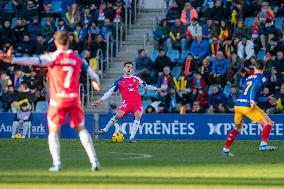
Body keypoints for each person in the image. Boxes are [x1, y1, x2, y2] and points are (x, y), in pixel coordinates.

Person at [0, 30, 101, 172]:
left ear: (55, 41)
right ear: (69, 41)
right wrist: (95, 83)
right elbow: (93, 75)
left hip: (58, 99)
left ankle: (57, 163)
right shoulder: (77, 58)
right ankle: (94, 160)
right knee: (81, 129)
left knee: (53, 131)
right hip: (73, 99)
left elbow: (32, 60)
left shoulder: (52, 57)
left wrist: (12, 59)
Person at [93, 62, 164, 143]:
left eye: (131, 67)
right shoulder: (119, 81)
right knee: (118, 115)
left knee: (138, 116)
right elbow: (109, 92)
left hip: (136, 103)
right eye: (127, 67)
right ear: (124, 68)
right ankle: (105, 129)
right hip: (126, 103)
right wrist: (100, 100)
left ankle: (131, 138)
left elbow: (146, 86)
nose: (129, 68)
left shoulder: (136, 79)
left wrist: (157, 89)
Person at [222, 60, 277, 156]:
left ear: (254, 67)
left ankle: (225, 150)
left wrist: (266, 98)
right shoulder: (262, 77)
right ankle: (263, 145)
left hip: (238, 105)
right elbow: (254, 87)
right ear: (263, 68)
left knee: (237, 128)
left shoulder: (248, 78)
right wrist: (252, 100)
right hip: (247, 105)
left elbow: (253, 95)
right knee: (268, 123)